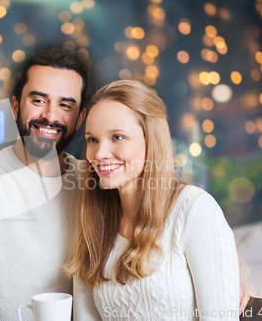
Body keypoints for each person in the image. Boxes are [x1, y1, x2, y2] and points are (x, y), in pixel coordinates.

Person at [0, 49, 254, 320]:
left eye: (65, 105)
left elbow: (168, 235)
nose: (50, 116)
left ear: (80, 117)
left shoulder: (95, 183)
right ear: (16, 105)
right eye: (38, 100)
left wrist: (218, 279)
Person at [66, 80, 242, 320]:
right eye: (92, 139)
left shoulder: (194, 209)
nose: (99, 154)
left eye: (117, 137)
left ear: (151, 140)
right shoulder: (94, 219)